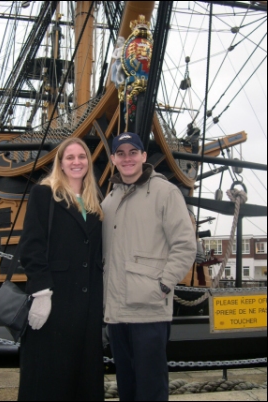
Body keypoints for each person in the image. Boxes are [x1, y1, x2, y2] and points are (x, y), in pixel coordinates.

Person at [102, 132, 197, 401]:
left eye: (134, 152)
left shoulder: (165, 192)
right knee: (127, 386)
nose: (127, 158)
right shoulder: (109, 201)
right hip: (117, 312)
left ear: (144, 157)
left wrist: (164, 284)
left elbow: (184, 244)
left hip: (149, 309)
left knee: (151, 388)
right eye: (121, 153)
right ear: (112, 159)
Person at [18, 137, 104, 401]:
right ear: (61, 163)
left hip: (87, 306)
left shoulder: (94, 201)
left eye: (81, 157)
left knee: (83, 377)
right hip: (56, 301)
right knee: (49, 377)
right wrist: (42, 293)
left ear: (88, 163)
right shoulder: (44, 193)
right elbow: (31, 246)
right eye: (70, 157)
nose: (76, 162)